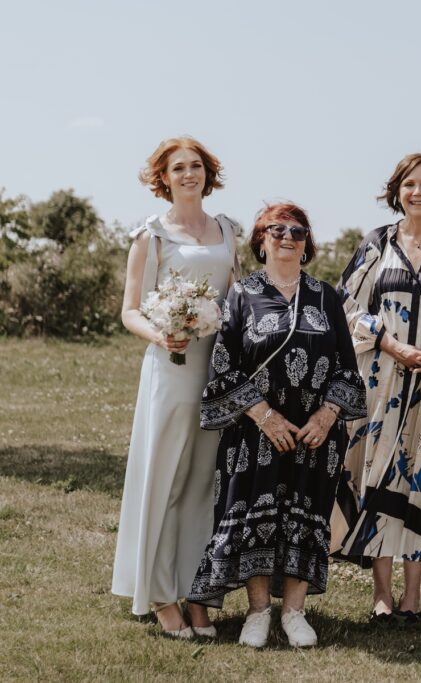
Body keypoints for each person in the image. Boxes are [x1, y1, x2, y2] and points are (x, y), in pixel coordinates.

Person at [188, 203, 366, 648]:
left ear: (306, 244)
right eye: (278, 230)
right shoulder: (241, 295)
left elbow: (348, 368)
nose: (288, 237)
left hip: (314, 433)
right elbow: (224, 367)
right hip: (255, 433)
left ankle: (295, 612)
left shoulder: (327, 297)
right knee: (253, 515)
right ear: (261, 240)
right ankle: (258, 612)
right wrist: (265, 416)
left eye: (298, 231)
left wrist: (327, 416)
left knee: (307, 516)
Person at [334, 153, 421, 624]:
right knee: (381, 473)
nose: (418, 192)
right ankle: (381, 594)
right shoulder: (377, 244)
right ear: (397, 191)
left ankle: (413, 595)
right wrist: (391, 344)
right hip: (384, 378)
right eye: (410, 184)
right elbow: (347, 306)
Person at [112, 136, 238, 638]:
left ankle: (196, 590)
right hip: (172, 366)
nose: (189, 174)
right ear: (163, 178)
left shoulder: (228, 229)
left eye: (197, 166)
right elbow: (129, 310)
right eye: (179, 168)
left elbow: (236, 296)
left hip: (218, 368)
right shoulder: (151, 235)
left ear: (208, 173)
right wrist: (163, 333)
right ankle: (160, 595)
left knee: (202, 483)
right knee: (163, 480)